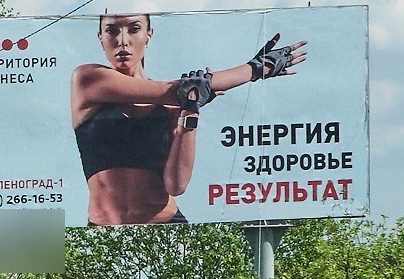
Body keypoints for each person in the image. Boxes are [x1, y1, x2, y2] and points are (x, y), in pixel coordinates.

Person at [69, 14, 304, 225]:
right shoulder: (88, 78)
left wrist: (191, 110)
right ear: (100, 38)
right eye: (111, 30)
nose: (122, 41)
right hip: (103, 232)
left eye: (134, 29)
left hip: (168, 225)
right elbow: (180, 89)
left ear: (148, 35)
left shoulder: (172, 107)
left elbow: (176, 185)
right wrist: (256, 69)